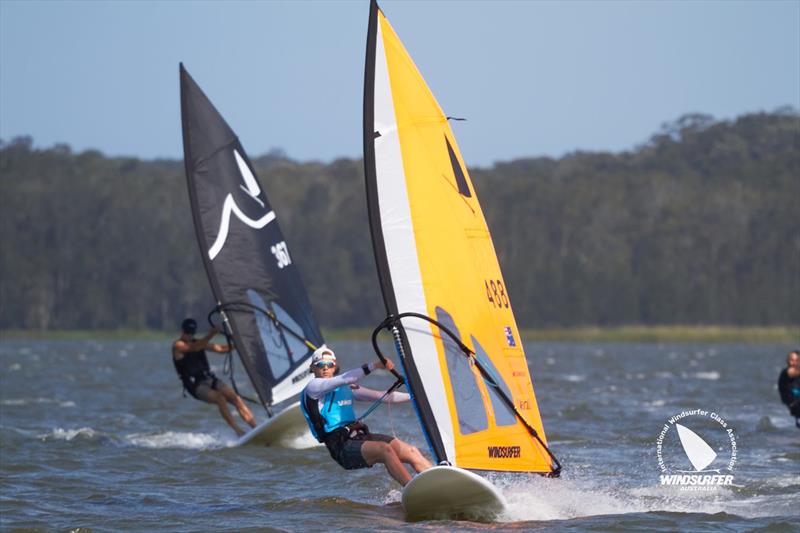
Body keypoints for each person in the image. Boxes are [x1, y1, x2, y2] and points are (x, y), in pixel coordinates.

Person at [300, 344, 432, 486]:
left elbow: (383, 396)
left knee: (412, 451)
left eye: (329, 364)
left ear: (334, 366)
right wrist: (375, 365)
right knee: (384, 449)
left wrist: (414, 397)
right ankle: (414, 489)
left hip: (359, 436)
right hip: (341, 446)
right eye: (320, 364)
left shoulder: (346, 388)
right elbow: (346, 378)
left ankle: (439, 480)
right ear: (313, 368)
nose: (325, 368)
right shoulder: (313, 387)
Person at [172, 318, 257, 437]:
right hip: (196, 385)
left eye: (191, 333)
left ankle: (256, 428)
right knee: (219, 398)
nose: (189, 335)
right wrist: (211, 334)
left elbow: (221, 349)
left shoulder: (199, 342)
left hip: (209, 379)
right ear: (182, 331)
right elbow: (194, 348)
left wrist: (238, 344)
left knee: (235, 398)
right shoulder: (178, 345)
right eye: (187, 333)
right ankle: (238, 431)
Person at [778, 349, 800, 428]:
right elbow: (792, 372)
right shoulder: (786, 372)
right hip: (793, 403)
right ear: (787, 361)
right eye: (792, 360)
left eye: (797, 360)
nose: (794, 363)